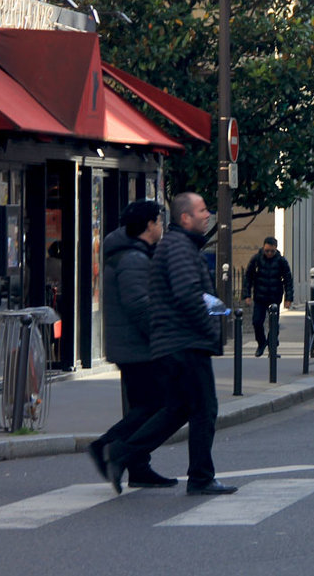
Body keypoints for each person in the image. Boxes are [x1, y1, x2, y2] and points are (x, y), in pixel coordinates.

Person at [105, 192, 237, 496]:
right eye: (202, 210)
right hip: (185, 341)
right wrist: (209, 330)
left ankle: (121, 453)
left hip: (176, 341)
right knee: (204, 409)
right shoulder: (179, 248)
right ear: (186, 218)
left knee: (177, 410)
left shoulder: (179, 246)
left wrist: (222, 310)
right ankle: (201, 477)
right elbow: (188, 294)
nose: (208, 215)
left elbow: (197, 293)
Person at [87, 200, 177, 489]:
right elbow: (139, 307)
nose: (161, 226)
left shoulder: (133, 253)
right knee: (158, 405)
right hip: (138, 348)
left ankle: (138, 467)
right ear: (149, 225)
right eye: (159, 221)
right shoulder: (133, 259)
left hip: (132, 346)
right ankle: (107, 446)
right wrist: (164, 338)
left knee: (145, 405)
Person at [243, 237, 293, 357]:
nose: (269, 253)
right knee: (256, 322)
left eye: (272, 251)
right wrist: (247, 295)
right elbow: (248, 277)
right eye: (267, 251)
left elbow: (288, 280)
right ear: (263, 248)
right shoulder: (256, 259)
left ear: (276, 249)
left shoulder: (281, 261)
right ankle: (261, 343)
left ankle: (272, 349)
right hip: (260, 296)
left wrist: (288, 298)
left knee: (274, 324)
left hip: (274, 296)